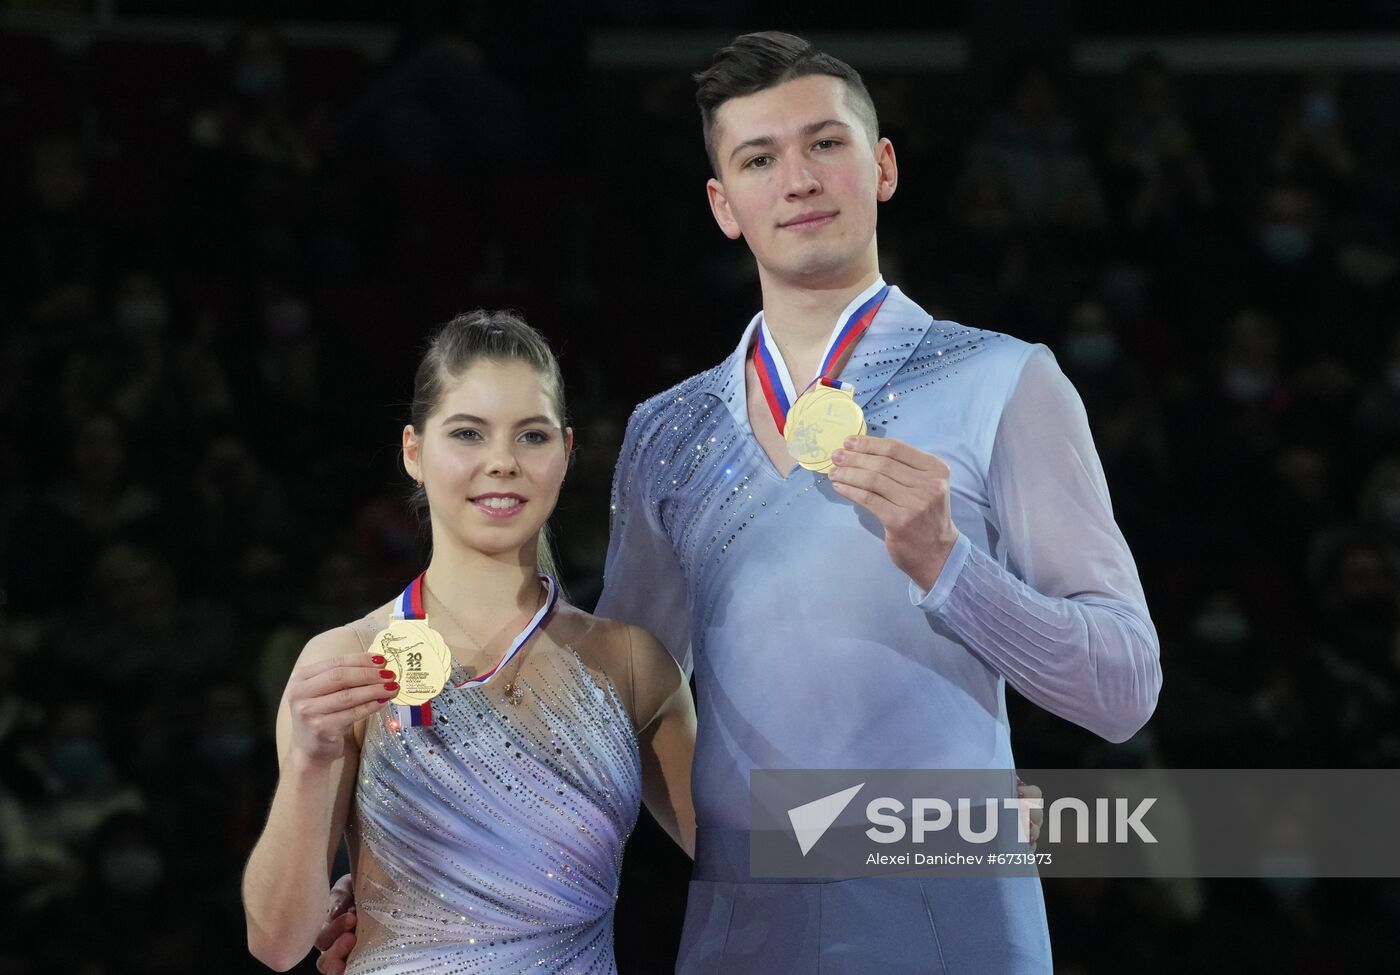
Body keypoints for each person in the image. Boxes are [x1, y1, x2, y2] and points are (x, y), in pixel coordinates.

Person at [320, 31, 1159, 974]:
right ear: (724, 205)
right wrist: (423, 882)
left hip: (950, 923)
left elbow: (1123, 689)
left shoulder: (1007, 380)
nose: (797, 178)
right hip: (739, 933)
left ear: (882, 166)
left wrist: (950, 569)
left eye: (825, 143)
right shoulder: (669, 432)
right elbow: (610, 716)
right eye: (760, 158)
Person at [242, 310, 697, 973]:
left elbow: (763, 843)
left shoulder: (629, 663)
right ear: (413, 451)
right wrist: (310, 765)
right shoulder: (345, 660)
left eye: (531, 435)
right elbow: (277, 943)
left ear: (566, 454)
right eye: (467, 433)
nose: (502, 462)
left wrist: (908, 826)